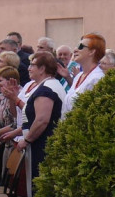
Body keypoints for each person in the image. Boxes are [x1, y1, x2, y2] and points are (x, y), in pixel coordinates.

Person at [13, 52, 64, 184]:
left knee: (39, 184)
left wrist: (27, 140)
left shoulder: (46, 90)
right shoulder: (48, 85)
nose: (29, 68)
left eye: (32, 65)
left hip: (42, 145)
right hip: (41, 143)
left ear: (42, 69)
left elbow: (42, 120)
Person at [61, 33, 106, 120]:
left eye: (81, 46)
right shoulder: (79, 76)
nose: (75, 50)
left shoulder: (97, 79)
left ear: (92, 52)